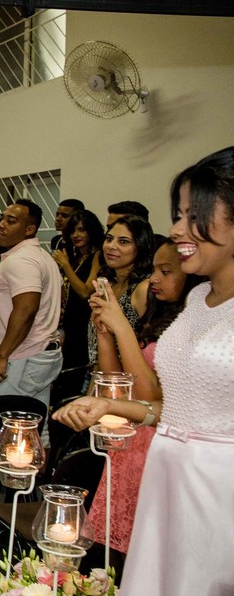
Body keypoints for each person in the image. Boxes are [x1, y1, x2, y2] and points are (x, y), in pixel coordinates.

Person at [53, 147, 234, 596]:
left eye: (192, 214)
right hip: (167, 485)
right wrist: (105, 402)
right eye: (177, 213)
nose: (178, 230)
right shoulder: (201, 301)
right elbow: (166, 408)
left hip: (220, 500)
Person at [86, 238, 201, 573]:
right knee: (115, 555)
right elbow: (119, 387)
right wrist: (106, 333)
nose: (154, 279)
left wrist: (121, 324)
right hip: (131, 441)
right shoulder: (162, 315)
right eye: (153, 270)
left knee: (147, 557)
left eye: (165, 271)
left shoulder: (190, 328)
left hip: (156, 438)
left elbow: (152, 398)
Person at [0, 200, 63, 413]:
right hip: (40, 353)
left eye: (11, 221)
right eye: (2, 218)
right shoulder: (42, 257)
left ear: (29, 229)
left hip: (21, 357)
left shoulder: (21, 260)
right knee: (34, 429)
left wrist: (2, 356)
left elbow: (27, 308)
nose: (1, 224)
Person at [86, 215, 154, 366]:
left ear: (141, 246)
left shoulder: (144, 288)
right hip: (102, 373)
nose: (111, 246)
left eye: (123, 242)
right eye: (109, 239)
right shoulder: (108, 283)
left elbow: (150, 351)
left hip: (132, 380)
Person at [52, 209, 104, 370]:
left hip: (85, 325)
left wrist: (65, 265)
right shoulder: (76, 258)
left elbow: (85, 292)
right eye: (73, 230)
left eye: (81, 230)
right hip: (70, 325)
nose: (76, 235)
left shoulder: (97, 256)